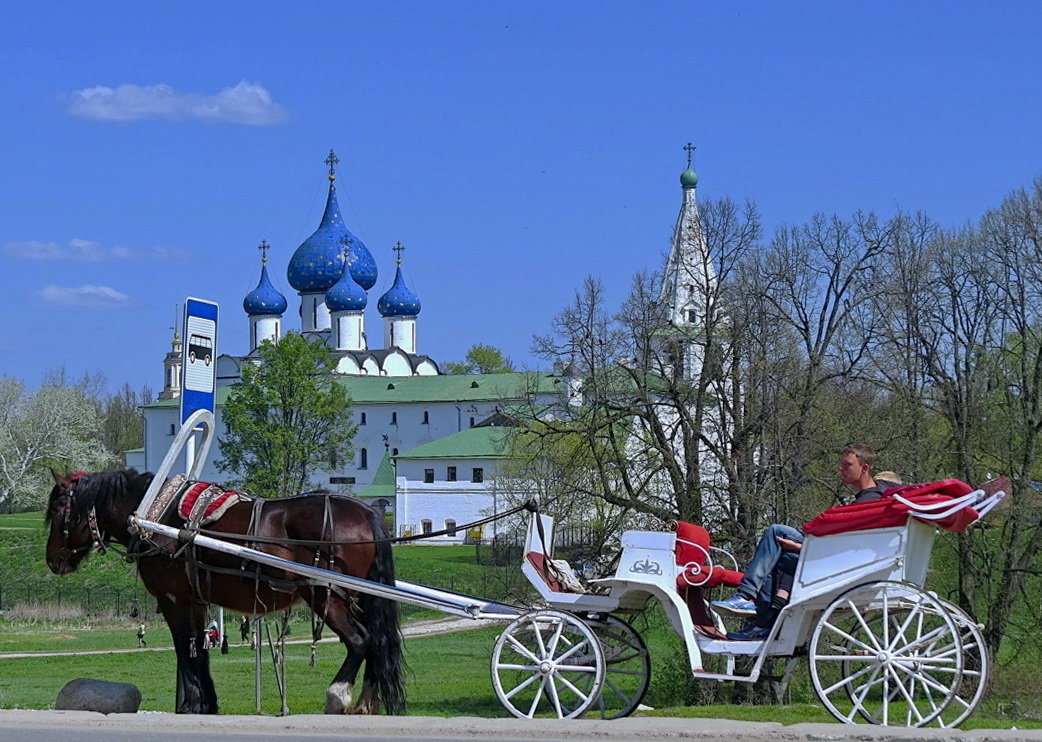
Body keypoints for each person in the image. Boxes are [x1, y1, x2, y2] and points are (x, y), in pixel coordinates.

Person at [712, 444, 901, 640]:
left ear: (864, 468)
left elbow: (846, 546)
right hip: (835, 557)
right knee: (773, 556)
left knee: (776, 531)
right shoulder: (877, 493)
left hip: (841, 565)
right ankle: (762, 623)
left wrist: (805, 548)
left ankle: (747, 597)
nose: (840, 469)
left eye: (847, 465)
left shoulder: (869, 501)